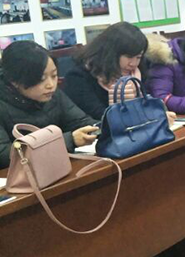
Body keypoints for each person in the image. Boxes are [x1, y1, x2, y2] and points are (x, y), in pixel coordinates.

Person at [0, 41, 97, 169]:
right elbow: (4, 155)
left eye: (54, 75)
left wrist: (101, 127)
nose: (51, 85)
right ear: (14, 81)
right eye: (41, 79)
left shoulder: (51, 94)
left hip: (55, 168)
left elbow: (80, 122)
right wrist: (68, 140)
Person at [63, 22, 149, 120]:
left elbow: (149, 104)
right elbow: (98, 116)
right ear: (111, 53)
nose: (133, 63)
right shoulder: (78, 77)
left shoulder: (139, 71)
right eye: (129, 56)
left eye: (138, 57)